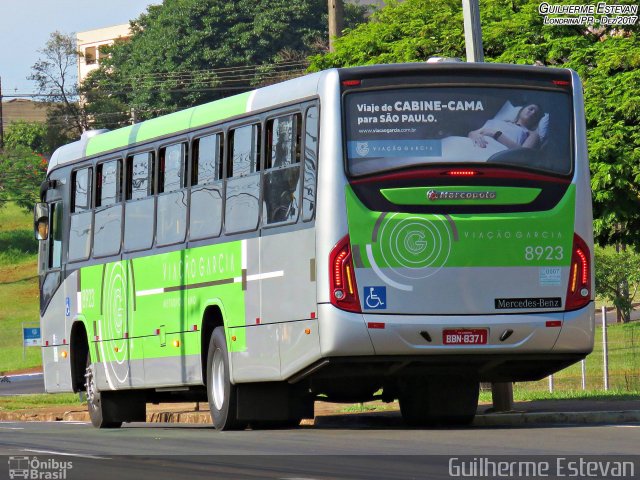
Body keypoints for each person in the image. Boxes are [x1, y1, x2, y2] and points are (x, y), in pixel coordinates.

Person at [468, 104, 545, 150]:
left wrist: (496, 134)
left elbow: (523, 153)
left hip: (494, 153)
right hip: (473, 144)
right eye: (531, 109)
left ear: (536, 121)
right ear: (522, 110)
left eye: (536, 115)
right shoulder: (501, 121)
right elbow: (472, 133)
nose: (532, 113)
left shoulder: (532, 134)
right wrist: (473, 134)